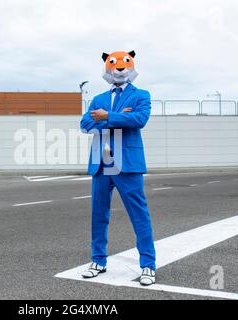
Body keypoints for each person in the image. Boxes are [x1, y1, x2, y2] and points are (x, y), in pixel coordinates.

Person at [80, 50, 156, 286]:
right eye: (113, 65)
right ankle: (98, 261)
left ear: (130, 66)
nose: (119, 68)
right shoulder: (98, 98)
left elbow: (139, 120)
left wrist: (106, 117)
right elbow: (85, 124)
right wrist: (115, 117)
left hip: (128, 165)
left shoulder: (141, 95)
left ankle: (148, 265)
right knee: (99, 215)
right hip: (102, 164)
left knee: (138, 214)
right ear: (107, 68)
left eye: (124, 64)